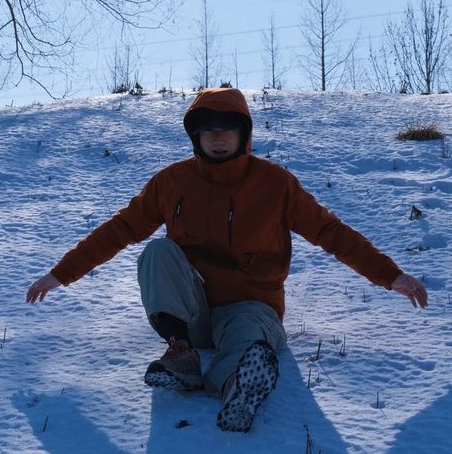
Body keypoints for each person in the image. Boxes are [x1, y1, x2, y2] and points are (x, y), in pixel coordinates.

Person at [26, 88, 428, 432]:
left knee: (246, 338)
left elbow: (330, 232)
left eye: (228, 130)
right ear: (195, 137)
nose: (218, 139)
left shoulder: (275, 184)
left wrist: (390, 276)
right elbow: (120, 229)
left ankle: (236, 384)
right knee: (157, 251)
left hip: (252, 306)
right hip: (193, 310)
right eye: (208, 131)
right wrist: (60, 275)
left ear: (244, 134)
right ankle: (181, 354)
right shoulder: (172, 182)